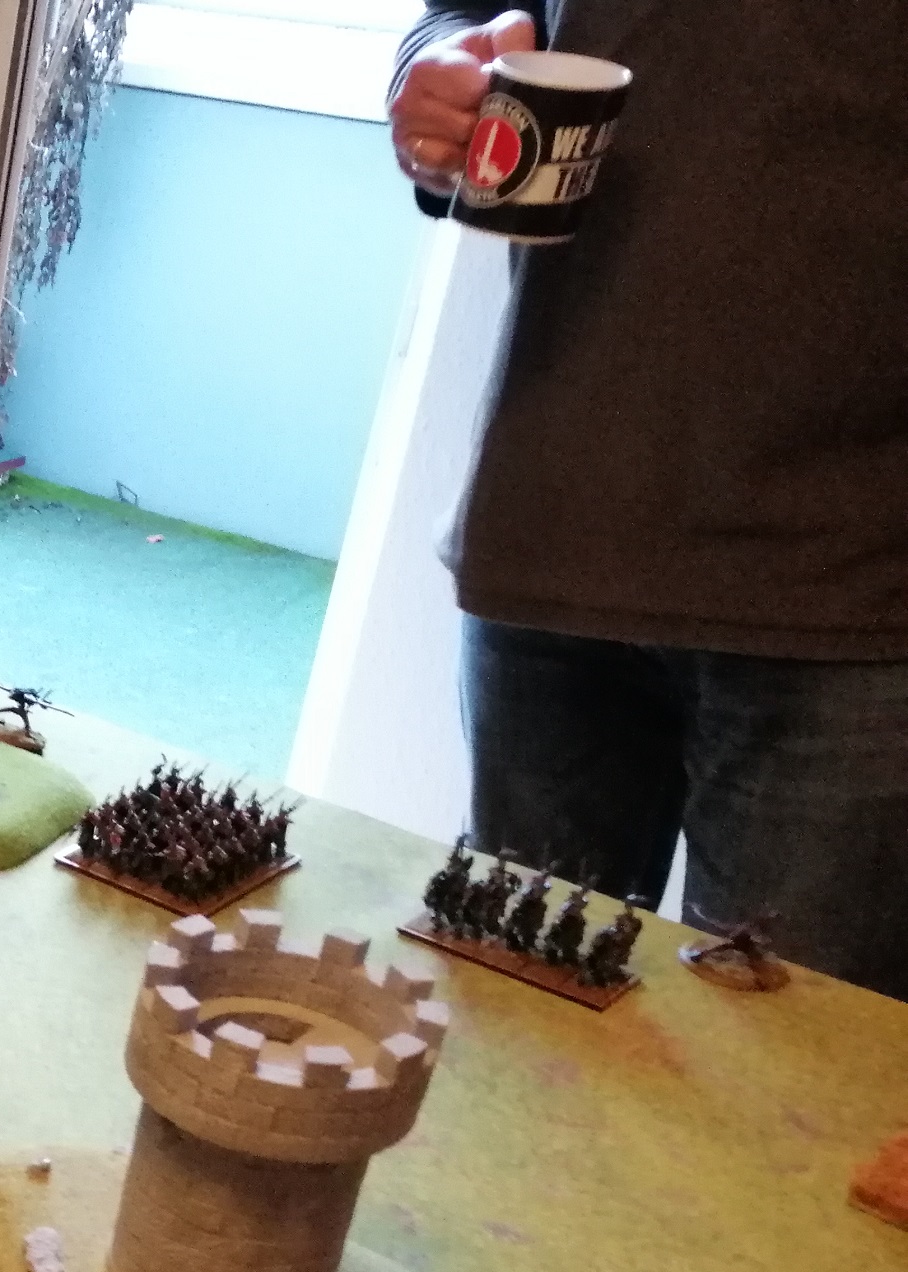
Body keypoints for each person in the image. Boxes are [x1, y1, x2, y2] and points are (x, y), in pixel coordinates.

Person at [387, 6, 908, 999]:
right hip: (555, 517)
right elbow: (469, 13)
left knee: (779, 1078)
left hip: (856, 594)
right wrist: (433, 86)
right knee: (507, 1041)